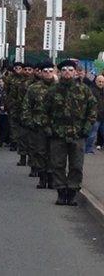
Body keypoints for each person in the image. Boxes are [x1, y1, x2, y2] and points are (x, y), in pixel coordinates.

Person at [45, 60, 98, 206]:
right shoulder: (53, 90)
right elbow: (45, 111)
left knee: (76, 165)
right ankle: (61, 193)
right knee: (58, 165)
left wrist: (87, 128)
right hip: (58, 134)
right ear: (60, 72)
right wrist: (48, 128)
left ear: (75, 72)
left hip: (78, 134)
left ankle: (72, 192)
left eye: (70, 69)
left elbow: (92, 110)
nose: (67, 72)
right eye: (64, 70)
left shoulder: (84, 90)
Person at [20, 62, 55, 187]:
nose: (48, 74)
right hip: (38, 126)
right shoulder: (34, 88)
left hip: (55, 127)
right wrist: (29, 122)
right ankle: (42, 176)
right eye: (45, 71)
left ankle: (51, 177)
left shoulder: (58, 88)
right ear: (41, 73)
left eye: (50, 71)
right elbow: (26, 106)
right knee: (39, 152)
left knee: (53, 153)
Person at [88, 74, 104, 154]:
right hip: (95, 116)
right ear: (96, 81)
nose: (101, 83)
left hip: (102, 116)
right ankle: (88, 149)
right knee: (92, 134)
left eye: (102, 82)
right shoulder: (92, 90)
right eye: (99, 81)